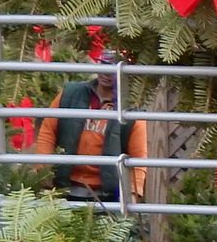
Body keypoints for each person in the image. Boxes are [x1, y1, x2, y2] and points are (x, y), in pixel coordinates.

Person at [32, 52, 147, 203]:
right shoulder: (70, 94)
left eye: (113, 68)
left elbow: (138, 157)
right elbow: (48, 131)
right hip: (63, 189)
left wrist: (132, 193)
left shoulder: (132, 111)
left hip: (107, 196)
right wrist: (43, 171)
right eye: (104, 65)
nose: (106, 73)